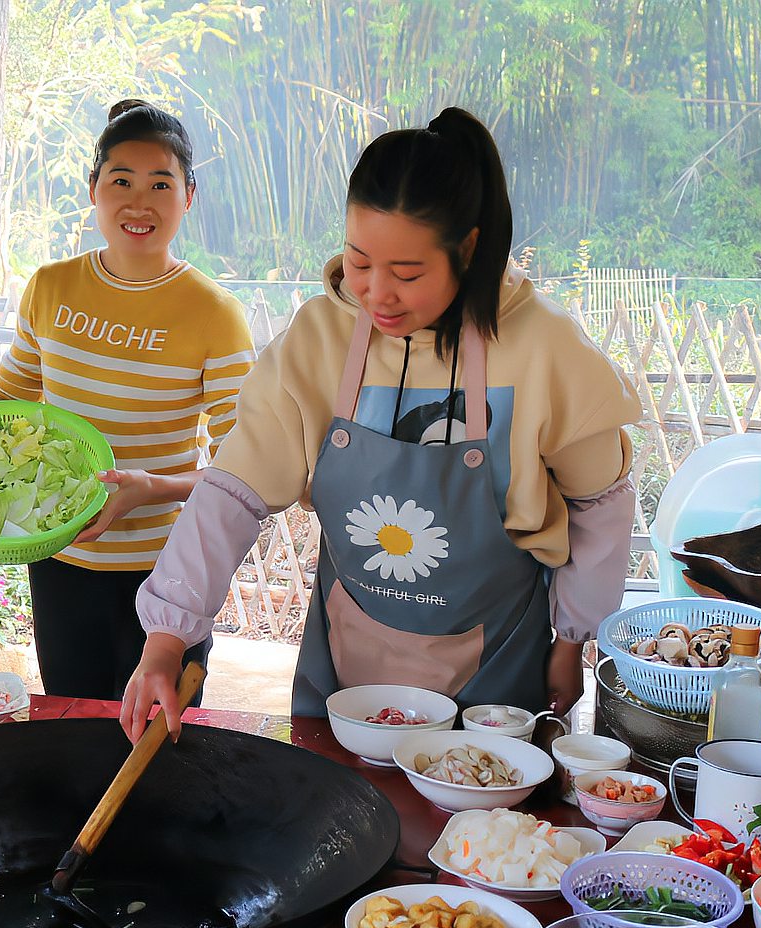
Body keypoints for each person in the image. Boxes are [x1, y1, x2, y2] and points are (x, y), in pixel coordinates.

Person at [121, 107, 640, 740]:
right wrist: (167, 638)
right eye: (359, 262)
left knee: (477, 838)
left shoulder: (544, 348)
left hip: (499, 666)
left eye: (408, 273)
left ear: (469, 248)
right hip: (345, 653)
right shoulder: (320, 338)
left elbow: (601, 503)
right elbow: (233, 490)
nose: (377, 294)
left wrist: (571, 640)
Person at [0, 100, 255, 702]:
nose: (139, 203)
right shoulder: (51, 287)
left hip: (168, 579)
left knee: (155, 752)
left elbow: (242, 469)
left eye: (160, 184)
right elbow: (9, 402)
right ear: (94, 190)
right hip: (60, 559)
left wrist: (153, 487)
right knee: (73, 731)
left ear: (188, 195)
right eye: (121, 181)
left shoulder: (214, 315)